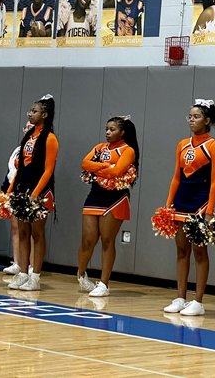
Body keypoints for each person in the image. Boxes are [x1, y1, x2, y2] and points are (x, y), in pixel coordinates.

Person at [163, 99, 215, 316]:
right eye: (189, 116)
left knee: (199, 252)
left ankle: (198, 301)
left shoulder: (214, 147)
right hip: (181, 201)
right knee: (181, 250)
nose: (191, 119)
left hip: (200, 204)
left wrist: (209, 212)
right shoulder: (182, 144)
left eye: (196, 116)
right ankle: (181, 297)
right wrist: (168, 205)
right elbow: (176, 177)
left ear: (207, 120)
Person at [76, 116, 140, 297]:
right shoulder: (99, 148)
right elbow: (85, 163)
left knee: (107, 240)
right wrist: (105, 165)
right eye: (106, 129)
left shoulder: (128, 150)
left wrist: (98, 168)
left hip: (115, 198)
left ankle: (104, 283)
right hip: (95, 195)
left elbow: (117, 171)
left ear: (122, 132)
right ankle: (81, 275)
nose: (107, 132)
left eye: (112, 129)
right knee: (87, 240)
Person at [6, 95, 59, 291]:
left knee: (37, 233)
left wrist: (35, 193)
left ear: (44, 115)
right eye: (30, 111)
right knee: (23, 231)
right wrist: (11, 190)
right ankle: (22, 273)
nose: (30, 113)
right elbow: (19, 167)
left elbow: (48, 170)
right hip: (23, 188)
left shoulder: (50, 138)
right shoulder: (28, 136)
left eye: (34, 111)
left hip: (40, 191)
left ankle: (35, 276)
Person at [0, 120, 33, 276]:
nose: (28, 129)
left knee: (30, 230)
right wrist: (4, 190)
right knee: (15, 227)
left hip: (28, 191)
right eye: (26, 127)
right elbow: (10, 172)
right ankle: (17, 262)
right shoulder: (17, 150)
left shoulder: (38, 149)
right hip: (13, 190)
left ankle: (32, 264)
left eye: (31, 127)